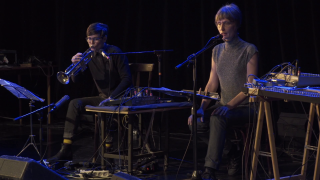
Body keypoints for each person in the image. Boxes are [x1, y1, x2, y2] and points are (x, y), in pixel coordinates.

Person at [187, 3, 258, 180]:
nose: (221, 28)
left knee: (218, 117)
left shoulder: (249, 50)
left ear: (236, 24)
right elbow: (212, 84)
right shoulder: (216, 50)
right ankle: (232, 152)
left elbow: (251, 87)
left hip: (246, 107)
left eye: (226, 23)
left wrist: (230, 106)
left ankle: (209, 170)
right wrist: (202, 108)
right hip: (223, 105)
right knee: (196, 121)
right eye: (219, 24)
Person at [48, 22, 132, 162]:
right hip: (103, 98)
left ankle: (106, 152)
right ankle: (66, 149)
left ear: (104, 39)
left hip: (120, 97)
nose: (91, 43)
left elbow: (127, 79)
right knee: (74, 104)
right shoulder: (89, 56)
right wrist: (75, 66)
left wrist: (111, 97)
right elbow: (75, 80)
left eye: (95, 39)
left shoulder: (115, 52)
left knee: (103, 107)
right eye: (88, 39)